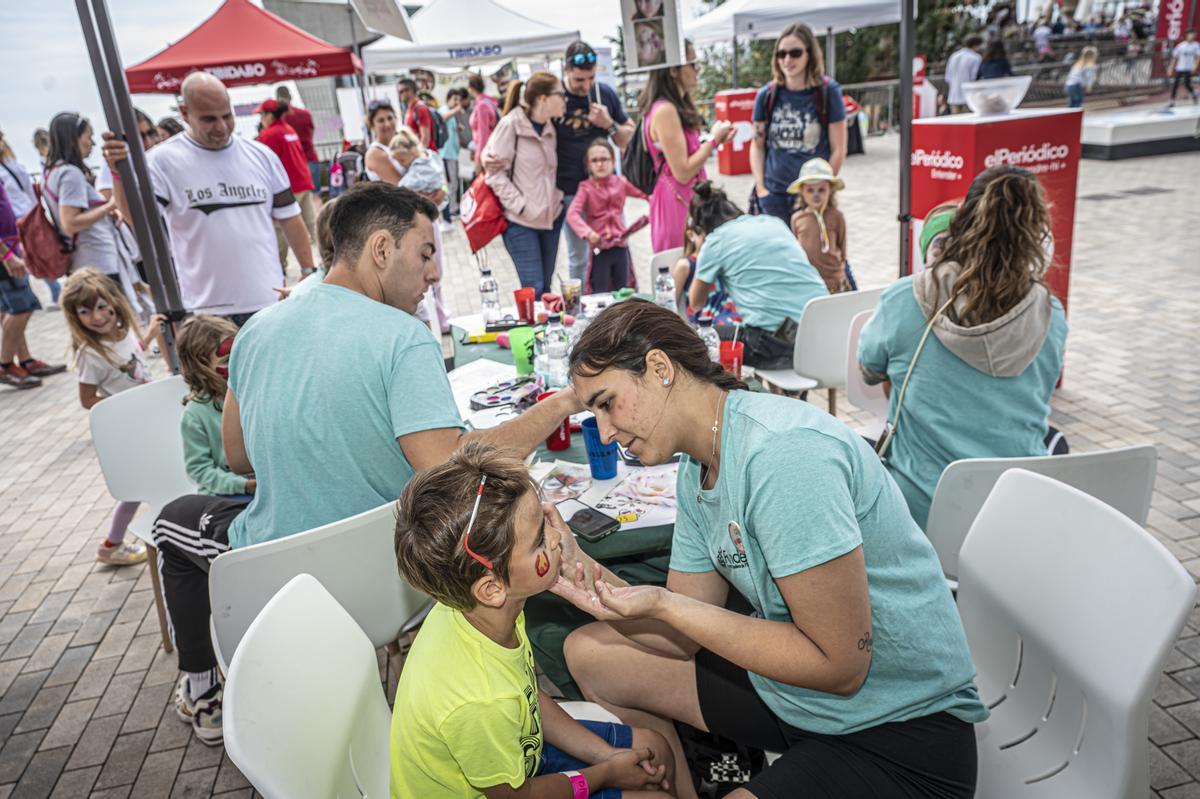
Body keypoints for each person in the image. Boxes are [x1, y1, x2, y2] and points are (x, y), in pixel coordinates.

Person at [147, 182, 584, 745]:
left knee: (171, 522)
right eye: (426, 254)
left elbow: (238, 455)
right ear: (382, 249)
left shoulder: (256, 330)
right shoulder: (403, 338)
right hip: (397, 584)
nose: (434, 274)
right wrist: (564, 402)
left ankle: (203, 690)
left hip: (289, 586)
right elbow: (451, 469)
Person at [549, 300, 987, 799]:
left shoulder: (783, 456)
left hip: (896, 730)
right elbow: (679, 639)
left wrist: (666, 604)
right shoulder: (700, 463)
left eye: (607, 403)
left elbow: (842, 668)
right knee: (588, 653)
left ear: (659, 368)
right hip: (802, 701)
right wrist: (583, 572)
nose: (604, 432)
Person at [391, 443, 675, 798]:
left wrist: (607, 755)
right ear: (491, 587)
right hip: (512, 788)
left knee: (654, 745)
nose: (557, 538)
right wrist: (605, 773)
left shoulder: (485, 610)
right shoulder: (478, 702)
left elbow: (527, 695)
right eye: (540, 539)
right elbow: (519, 795)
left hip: (514, 751)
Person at [858, 166, 1068, 529]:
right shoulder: (1050, 313)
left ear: (962, 224)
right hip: (1015, 515)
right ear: (1037, 236)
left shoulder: (906, 297)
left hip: (923, 514)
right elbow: (1040, 394)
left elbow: (869, 368)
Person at [102, 73, 315, 327]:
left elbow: (290, 217)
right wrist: (117, 173)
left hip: (268, 301)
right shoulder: (162, 161)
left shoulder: (261, 155)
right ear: (185, 113)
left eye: (227, 116)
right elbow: (137, 222)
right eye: (209, 119)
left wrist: (308, 272)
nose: (222, 127)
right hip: (207, 310)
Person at [61, 269, 163, 566]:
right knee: (138, 486)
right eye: (85, 310)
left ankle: (113, 544)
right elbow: (87, 399)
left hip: (148, 418)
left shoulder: (124, 331)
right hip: (130, 428)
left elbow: (129, 364)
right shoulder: (89, 354)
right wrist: (123, 407)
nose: (97, 316)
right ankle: (113, 544)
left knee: (144, 483)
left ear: (115, 304)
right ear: (74, 315)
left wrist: (148, 337)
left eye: (102, 307)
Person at [686, 181, 826, 370]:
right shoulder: (773, 222)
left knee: (697, 335)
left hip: (775, 346)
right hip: (821, 335)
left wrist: (703, 251)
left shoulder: (715, 241)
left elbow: (695, 303)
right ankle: (790, 394)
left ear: (701, 229)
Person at [364, 101, 451, 333]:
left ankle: (440, 319)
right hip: (404, 224)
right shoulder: (377, 153)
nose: (387, 124)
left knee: (434, 269)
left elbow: (430, 174)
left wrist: (439, 190)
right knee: (421, 274)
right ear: (371, 124)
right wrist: (435, 194)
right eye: (380, 120)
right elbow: (402, 192)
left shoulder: (400, 144)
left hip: (422, 218)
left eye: (390, 117)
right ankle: (429, 325)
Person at [640, 40, 733, 251]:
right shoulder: (665, 110)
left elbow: (681, 151)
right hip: (677, 203)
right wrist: (714, 140)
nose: (697, 69)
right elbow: (682, 171)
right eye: (692, 63)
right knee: (681, 270)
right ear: (673, 70)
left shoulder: (672, 107)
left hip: (685, 199)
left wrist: (712, 139)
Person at [751, 23, 847, 225]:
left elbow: (839, 149)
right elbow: (757, 145)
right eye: (781, 53)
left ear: (809, 54)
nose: (787, 60)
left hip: (810, 197)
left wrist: (821, 189)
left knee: (813, 255)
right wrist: (761, 189)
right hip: (774, 195)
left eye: (795, 53)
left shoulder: (828, 92)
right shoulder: (767, 95)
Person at [556, 41, 635, 283]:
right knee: (579, 256)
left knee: (615, 246)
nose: (586, 85)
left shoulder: (604, 94)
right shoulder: (556, 97)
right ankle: (579, 308)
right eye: (579, 80)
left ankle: (619, 304)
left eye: (590, 78)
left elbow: (628, 139)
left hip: (605, 189)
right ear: (565, 71)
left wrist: (609, 123)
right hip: (570, 189)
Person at [482, 73, 567, 296]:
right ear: (543, 98)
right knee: (534, 289)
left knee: (546, 289)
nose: (565, 100)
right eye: (561, 94)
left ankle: (550, 332)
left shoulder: (551, 126)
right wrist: (520, 205)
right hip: (520, 223)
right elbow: (494, 174)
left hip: (551, 219)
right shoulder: (511, 124)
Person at [176, 315, 254, 499]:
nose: (238, 364)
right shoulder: (195, 415)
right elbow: (199, 469)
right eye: (227, 360)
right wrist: (244, 485)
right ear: (200, 369)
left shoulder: (254, 392)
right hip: (227, 496)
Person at [0, 182, 66, 387]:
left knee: (8, 309)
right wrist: (8, 255)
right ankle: (5, 365)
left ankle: (25, 360)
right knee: (22, 307)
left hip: (8, 248)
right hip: (5, 255)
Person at [43, 113, 121, 281]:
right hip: (96, 260)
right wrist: (110, 206)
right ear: (74, 139)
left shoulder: (52, 172)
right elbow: (70, 222)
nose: (92, 143)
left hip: (82, 262)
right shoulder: (71, 174)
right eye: (89, 136)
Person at [567, 139, 646, 293]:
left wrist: (656, 211)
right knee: (600, 293)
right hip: (599, 249)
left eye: (604, 159)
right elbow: (572, 214)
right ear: (588, 165)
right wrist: (588, 233)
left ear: (613, 161)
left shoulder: (621, 183)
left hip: (620, 247)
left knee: (623, 291)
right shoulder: (585, 188)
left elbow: (645, 194)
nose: (600, 164)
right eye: (594, 160)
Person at [256, 98, 318, 276]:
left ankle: (279, 268)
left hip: (288, 187)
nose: (261, 119)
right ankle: (323, 262)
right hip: (303, 181)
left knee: (281, 228)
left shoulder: (269, 135)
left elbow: (263, 165)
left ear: (269, 115)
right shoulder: (288, 129)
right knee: (311, 224)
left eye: (262, 114)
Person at [0, 126, 60, 306]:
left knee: (37, 254)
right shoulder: (10, 166)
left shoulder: (11, 164)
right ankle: (56, 290)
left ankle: (56, 290)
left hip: (26, 216)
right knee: (33, 258)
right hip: (17, 223)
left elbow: (26, 190)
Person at [788, 158, 853, 293]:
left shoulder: (836, 217)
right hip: (809, 280)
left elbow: (842, 248)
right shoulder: (797, 218)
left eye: (821, 190)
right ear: (802, 192)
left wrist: (839, 272)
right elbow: (795, 250)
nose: (816, 195)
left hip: (833, 281)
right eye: (810, 190)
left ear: (830, 191)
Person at [671, 217, 740, 326]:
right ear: (691, 235)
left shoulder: (724, 258)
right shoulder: (685, 265)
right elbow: (669, 304)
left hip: (732, 310)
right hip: (708, 317)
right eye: (706, 239)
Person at [275, 85, 320, 195]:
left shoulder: (281, 119)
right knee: (315, 196)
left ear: (277, 99)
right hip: (310, 157)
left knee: (299, 200)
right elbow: (311, 132)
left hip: (293, 164)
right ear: (290, 96)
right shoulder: (305, 113)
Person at [388, 126, 446, 198]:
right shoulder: (431, 154)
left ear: (413, 152)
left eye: (402, 161)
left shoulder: (419, 168)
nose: (401, 165)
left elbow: (402, 188)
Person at [439, 88, 467, 223]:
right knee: (450, 184)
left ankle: (453, 208)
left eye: (459, 100)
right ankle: (450, 210)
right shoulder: (444, 110)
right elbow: (442, 118)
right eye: (455, 99)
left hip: (454, 154)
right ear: (448, 99)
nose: (457, 103)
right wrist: (457, 110)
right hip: (446, 154)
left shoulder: (452, 114)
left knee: (454, 183)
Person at [468, 72, 501, 171]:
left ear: (470, 88)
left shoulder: (482, 106)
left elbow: (483, 134)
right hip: (488, 150)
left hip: (486, 153)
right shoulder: (488, 102)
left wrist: (478, 159)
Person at [944, 34, 984, 114]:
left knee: (956, 123)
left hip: (953, 96)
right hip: (969, 97)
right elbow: (974, 77)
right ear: (975, 45)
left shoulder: (954, 56)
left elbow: (947, 77)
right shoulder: (976, 58)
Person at [398, 78, 436, 151]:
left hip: (425, 155)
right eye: (400, 92)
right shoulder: (410, 109)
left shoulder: (421, 109)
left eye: (403, 91)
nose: (401, 94)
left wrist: (418, 155)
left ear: (412, 90)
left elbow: (425, 140)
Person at [1169, 30, 1200, 107]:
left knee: (1187, 84)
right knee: (1175, 84)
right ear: (1186, 35)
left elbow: (1198, 57)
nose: (1191, 36)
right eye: (1190, 34)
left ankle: (1193, 94)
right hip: (1180, 67)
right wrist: (1170, 68)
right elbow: (1174, 58)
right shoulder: (1181, 46)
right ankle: (1172, 101)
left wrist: (1195, 67)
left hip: (1189, 68)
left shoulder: (1196, 45)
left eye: (1193, 35)